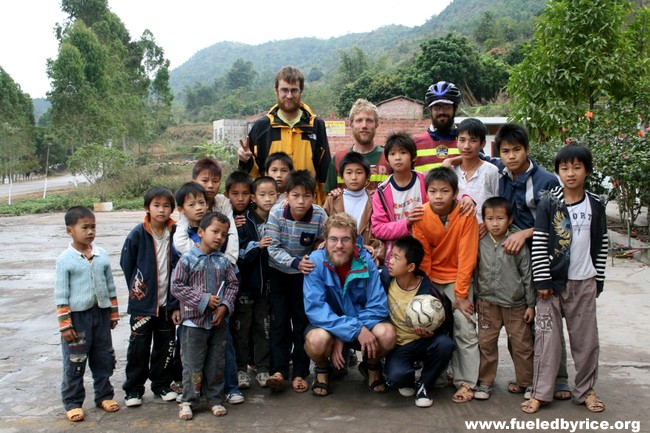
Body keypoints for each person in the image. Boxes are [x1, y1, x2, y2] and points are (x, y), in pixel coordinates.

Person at [522, 144, 608, 414]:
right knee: (547, 341)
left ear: (587, 170)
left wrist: (599, 280)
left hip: (585, 282)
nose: (570, 173)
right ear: (558, 171)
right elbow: (539, 241)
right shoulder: (550, 201)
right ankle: (540, 393)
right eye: (564, 168)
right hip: (553, 285)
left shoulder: (596, 203)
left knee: (586, 342)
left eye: (577, 167)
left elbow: (602, 243)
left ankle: (585, 391)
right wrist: (543, 282)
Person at [303, 213, 396, 396]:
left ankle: (371, 365)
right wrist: (349, 331)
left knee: (387, 335)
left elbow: (377, 305)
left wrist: (350, 331)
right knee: (316, 341)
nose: (339, 245)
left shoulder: (366, 261)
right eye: (334, 239)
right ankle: (322, 369)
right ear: (325, 241)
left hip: (363, 324)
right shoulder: (315, 261)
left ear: (355, 241)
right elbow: (316, 309)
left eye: (345, 239)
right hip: (329, 326)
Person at [411, 167, 479, 404]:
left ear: (455, 192)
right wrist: (427, 291)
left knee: (464, 326)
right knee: (432, 324)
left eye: (444, 191)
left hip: (458, 278)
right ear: (426, 192)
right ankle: (437, 377)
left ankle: (466, 383)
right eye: (433, 191)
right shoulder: (420, 215)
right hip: (432, 278)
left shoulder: (466, 214)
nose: (438, 196)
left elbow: (467, 255)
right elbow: (424, 256)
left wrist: (460, 296)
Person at [171, 212, 239, 420]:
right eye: (215, 231)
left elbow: (233, 284)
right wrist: (203, 300)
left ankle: (215, 399)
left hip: (217, 323)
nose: (219, 237)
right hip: (193, 323)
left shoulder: (224, 261)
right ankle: (188, 400)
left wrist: (224, 307)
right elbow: (177, 286)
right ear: (200, 232)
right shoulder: (188, 259)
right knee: (192, 364)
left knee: (216, 362)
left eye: (224, 234)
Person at [264, 169, 328, 392]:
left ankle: (301, 372)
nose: (301, 201)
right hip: (280, 274)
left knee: (301, 323)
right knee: (279, 323)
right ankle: (278, 371)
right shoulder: (276, 213)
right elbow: (272, 247)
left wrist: (321, 245)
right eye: (295, 195)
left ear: (314, 197)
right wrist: (294, 263)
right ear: (286, 195)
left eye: (306, 196)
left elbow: (326, 238)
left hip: (305, 277)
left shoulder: (319, 215)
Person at [55, 206, 120, 422]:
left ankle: (104, 395)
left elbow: (110, 286)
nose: (90, 231)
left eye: (93, 227)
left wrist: (113, 313)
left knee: (103, 356)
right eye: (85, 227)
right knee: (75, 360)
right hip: (78, 318)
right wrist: (65, 323)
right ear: (69, 230)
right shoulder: (65, 259)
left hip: (100, 315)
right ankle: (73, 402)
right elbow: (61, 293)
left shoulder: (101, 256)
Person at [120, 186, 180, 407]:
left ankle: (161, 385)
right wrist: (138, 292)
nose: (161, 210)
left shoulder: (176, 232)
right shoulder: (138, 234)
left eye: (166, 206)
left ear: (172, 209)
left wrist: (176, 303)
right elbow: (127, 265)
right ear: (147, 208)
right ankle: (133, 390)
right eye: (156, 205)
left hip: (168, 303)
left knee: (165, 346)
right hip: (143, 306)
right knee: (138, 348)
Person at [238, 66, 331, 203]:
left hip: (307, 206)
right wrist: (245, 161)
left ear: (301, 91)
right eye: (284, 90)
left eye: (294, 90)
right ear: (276, 90)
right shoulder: (262, 126)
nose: (289, 95)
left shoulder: (315, 125)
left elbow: (324, 171)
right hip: (270, 208)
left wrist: (325, 205)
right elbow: (253, 174)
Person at [381, 235, 455, 407]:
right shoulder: (385, 280)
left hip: (423, 342)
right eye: (391, 256)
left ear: (411, 267)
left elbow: (446, 324)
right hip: (399, 345)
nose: (390, 261)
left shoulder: (429, 292)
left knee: (445, 345)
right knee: (397, 377)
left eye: (396, 258)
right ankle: (406, 378)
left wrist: (432, 333)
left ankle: (425, 384)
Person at [474, 197, 534, 401]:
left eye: (500, 218)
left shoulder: (516, 242)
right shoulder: (480, 242)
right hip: (487, 303)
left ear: (509, 220)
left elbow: (527, 274)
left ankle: (526, 383)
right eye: (490, 218)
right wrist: (473, 298)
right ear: (483, 220)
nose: (495, 223)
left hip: (515, 304)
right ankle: (485, 382)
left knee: (521, 344)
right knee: (486, 344)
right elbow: (474, 272)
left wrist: (531, 304)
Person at [232, 176, 278, 389]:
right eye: (262, 195)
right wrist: (257, 245)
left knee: (263, 328)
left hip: (267, 286)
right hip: (245, 286)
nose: (267, 199)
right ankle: (240, 369)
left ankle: (262, 369)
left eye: (271, 194)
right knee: (242, 330)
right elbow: (238, 254)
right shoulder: (243, 220)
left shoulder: (278, 218)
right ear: (253, 197)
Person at [169, 182, 209, 394]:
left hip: (210, 293)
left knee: (209, 339)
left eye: (202, 202)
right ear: (182, 210)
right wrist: (175, 305)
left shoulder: (211, 227)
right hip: (188, 298)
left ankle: (206, 382)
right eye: (192, 204)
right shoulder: (180, 232)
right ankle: (183, 381)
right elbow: (181, 259)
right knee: (186, 340)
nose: (199, 208)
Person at [370, 133, 426, 263]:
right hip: (395, 258)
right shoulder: (382, 191)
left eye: (403, 152)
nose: (398, 158)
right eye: (393, 154)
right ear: (387, 159)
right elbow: (378, 229)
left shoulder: (426, 182)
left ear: (413, 157)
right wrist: (406, 223)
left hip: (426, 250)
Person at [175, 158, 239, 265]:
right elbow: (180, 239)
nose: (210, 186)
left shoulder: (223, 202)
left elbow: (232, 232)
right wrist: (201, 255)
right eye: (205, 180)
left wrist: (229, 260)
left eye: (215, 181)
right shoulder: (188, 206)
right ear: (194, 182)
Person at [323, 151, 384, 264]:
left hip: (366, 258)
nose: (354, 177)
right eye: (349, 173)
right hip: (337, 257)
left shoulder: (375, 200)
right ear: (341, 176)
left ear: (367, 176)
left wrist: (375, 252)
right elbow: (322, 230)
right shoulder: (333, 199)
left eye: (359, 172)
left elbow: (380, 232)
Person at [324, 98, 391, 192]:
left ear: (376, 124)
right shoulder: (338, 159)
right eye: (359, 120)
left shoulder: (389, 158)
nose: (364, 125)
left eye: (369, 121)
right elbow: (329, 198)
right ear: (351, 124)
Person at [452, 118, 499, 229]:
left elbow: (498, 204)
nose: (466, 146)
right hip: (455, 232)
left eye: (473, 140)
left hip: (484, 234)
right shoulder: (451, 171)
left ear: (482, 143)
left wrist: (488, 225)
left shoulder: (491, 172)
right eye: (462, 140)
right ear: (456, 141)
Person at [413, 81, 462, 173]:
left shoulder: (468, 143)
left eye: (446, 107)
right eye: (436, 107)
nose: (441, 112)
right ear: (430, 111)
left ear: (455, 109)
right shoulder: (415, 144)